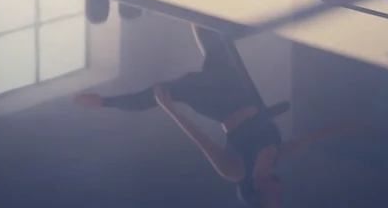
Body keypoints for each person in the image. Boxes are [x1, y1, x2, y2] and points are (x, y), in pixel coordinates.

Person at [73, 24, 363, 207]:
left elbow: (199, 138)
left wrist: (170, 110)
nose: (278, 195)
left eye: (273, 200)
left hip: (215, 102)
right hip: (239, 91)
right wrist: (345, 128)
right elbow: (312, 138)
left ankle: (103, 102)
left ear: (258, 195)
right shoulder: (276, 157)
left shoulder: (236, 171)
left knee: (163, 92)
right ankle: (192, 4)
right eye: (279, 200)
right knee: (215, 43)